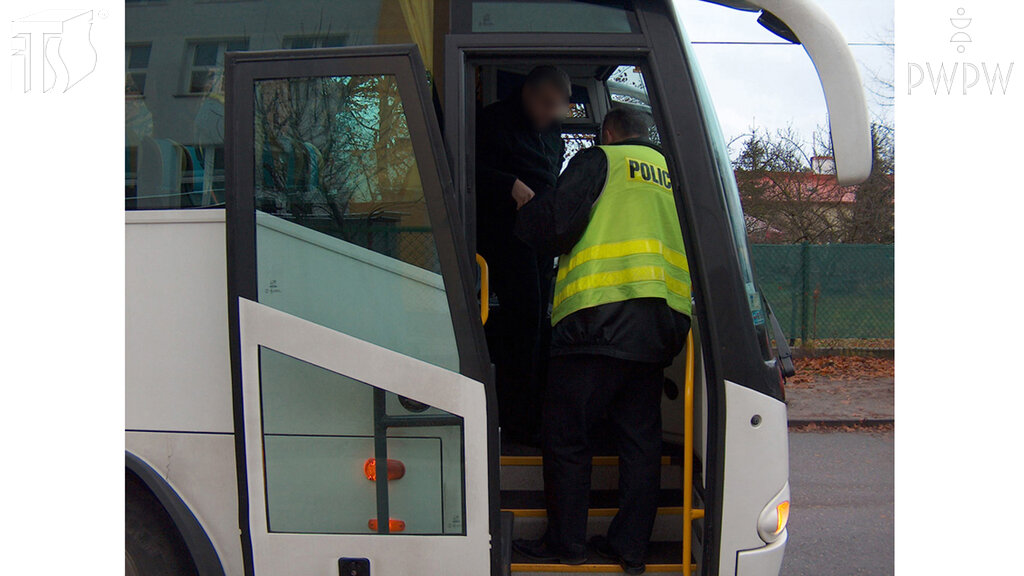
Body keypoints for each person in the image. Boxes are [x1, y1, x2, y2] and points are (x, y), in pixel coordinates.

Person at [511, 107, 692, 574]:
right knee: (640, 441)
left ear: (609, 131)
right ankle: (629, 548)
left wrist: (524, 211)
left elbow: (555, 226)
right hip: (660, 327)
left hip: (596, 320)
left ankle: (567, 544)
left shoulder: (601, 160)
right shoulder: (676, 173)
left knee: (567, 437)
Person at [475, 65, 571, 445]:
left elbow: (552, 176)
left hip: (539, 239)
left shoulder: (552, 135)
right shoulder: (493, 122)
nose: (550, 114)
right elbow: (464, 170)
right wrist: (507, 185)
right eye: (546, 104)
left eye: (557, 108)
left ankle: (531, 414)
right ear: (528, 94)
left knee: (538, 325)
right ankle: (517, 422)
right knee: (525, 321)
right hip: (503, 235)